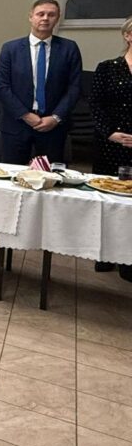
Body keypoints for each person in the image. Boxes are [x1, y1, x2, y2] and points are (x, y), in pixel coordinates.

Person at [0, 0, 83, 164]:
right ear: (31, 17)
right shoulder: (10, 49)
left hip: (53, 126)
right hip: (16, 124)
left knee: (49, 175)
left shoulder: (69, 48)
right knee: (11, 173)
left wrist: (56, 117)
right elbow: (2, 87)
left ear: (57, 19)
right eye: (40, 14)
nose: (45, 18)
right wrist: (25, 115)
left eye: (51, 15)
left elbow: (74, 87)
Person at [90, 16, 132, 281]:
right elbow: (95, 104)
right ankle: (104, 253)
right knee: (107, 199)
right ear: (127, 36)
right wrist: (110, 133)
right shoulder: (107, 68)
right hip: (110, 142)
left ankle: (128, 259)